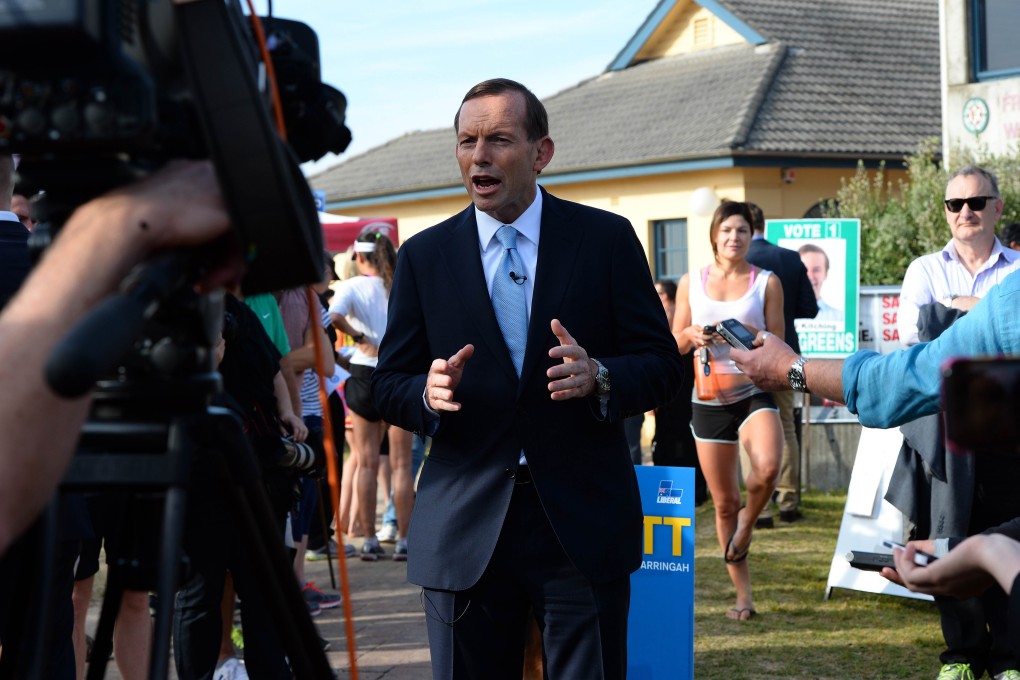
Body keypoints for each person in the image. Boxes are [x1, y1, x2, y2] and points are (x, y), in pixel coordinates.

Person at [371, 78, 684, 678]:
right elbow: (387, 383)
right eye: (467, 141)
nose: (479, 156)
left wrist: (600, 376)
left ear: (542, 153)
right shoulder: (425, 255)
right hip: (465, 525)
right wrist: (425, 393)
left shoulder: (605, 240)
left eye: (498, 140)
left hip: (580, 522)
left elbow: (663, 366)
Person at [890, 165, 1020, 680]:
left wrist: (953, 313)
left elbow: (941, 330)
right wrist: (989, 315)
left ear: (998, 208)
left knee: (1006, 533)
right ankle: (962, 655)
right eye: (954, 204)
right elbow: (915, 341)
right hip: (942, 427)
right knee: (947, 530)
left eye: (976, 201)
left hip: (1009, 426)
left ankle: (1012, 658)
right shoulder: (923, 269)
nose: (965, 212)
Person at [671, 199, 784, 621]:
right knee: (723, 503)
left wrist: (752, 335)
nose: (734, 237)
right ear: (714, 236)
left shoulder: (767, 282)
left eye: (742, 230)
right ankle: (743, 596)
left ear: (752, 235)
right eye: (727, 231)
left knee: (768, 469)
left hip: (754, 391)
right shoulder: (690, 282)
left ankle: (749, 522)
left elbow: (780, 344)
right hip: (707, 397)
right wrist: (691, 334)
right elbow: (673, 344)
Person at [727, 268, 1020, 430]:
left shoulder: (1011, 303)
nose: (965, 212)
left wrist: (787, 368)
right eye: (954, 205)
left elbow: (907, 379)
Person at [328, 229, 413, 561]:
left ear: (359, 257)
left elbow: (332, 316)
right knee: (402, 465)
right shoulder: (399, 282)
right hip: (401, 372)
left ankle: (368, 540)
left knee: (364, 462)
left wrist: (358, 335)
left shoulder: (351, 286)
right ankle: (404, 538)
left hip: (364, 373)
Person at [744, 201, 817, 526]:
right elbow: (809, 308)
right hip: (786, 351)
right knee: (786, 425)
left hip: (746, 355)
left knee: (750, 428)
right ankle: (788, 502)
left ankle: (761, 508)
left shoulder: (737, 261)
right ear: (764, 222)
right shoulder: (789, 257)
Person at [651, 279, 706, 505]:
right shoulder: (655, 326)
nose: (657, 302)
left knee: (689, 443)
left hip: (689, 396)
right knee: (666, 441)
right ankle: (667, 497)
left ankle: (696, 492)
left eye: (661, 297)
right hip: (666, 401)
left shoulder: (690, 328)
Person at [798, 243, 842, 322]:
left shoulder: (840, 318)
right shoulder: (783, 315)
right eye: (804, 270)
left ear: (826, 273)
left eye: (816, 270)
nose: (810, 276)